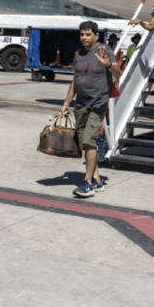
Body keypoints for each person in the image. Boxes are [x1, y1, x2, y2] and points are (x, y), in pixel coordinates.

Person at [59, 21, 120, 198]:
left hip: (97, 103)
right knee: (84, 142)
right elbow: (75, 80)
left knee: (89, 141)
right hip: (81, 104)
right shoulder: (79, 54)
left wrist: (108, 65)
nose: (84, 38)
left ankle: (87, 183)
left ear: (96, 35)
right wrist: (66, 103)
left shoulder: (105, 50)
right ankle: (97, 179)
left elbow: (117, 73)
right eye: (82, 34)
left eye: (88, 35)